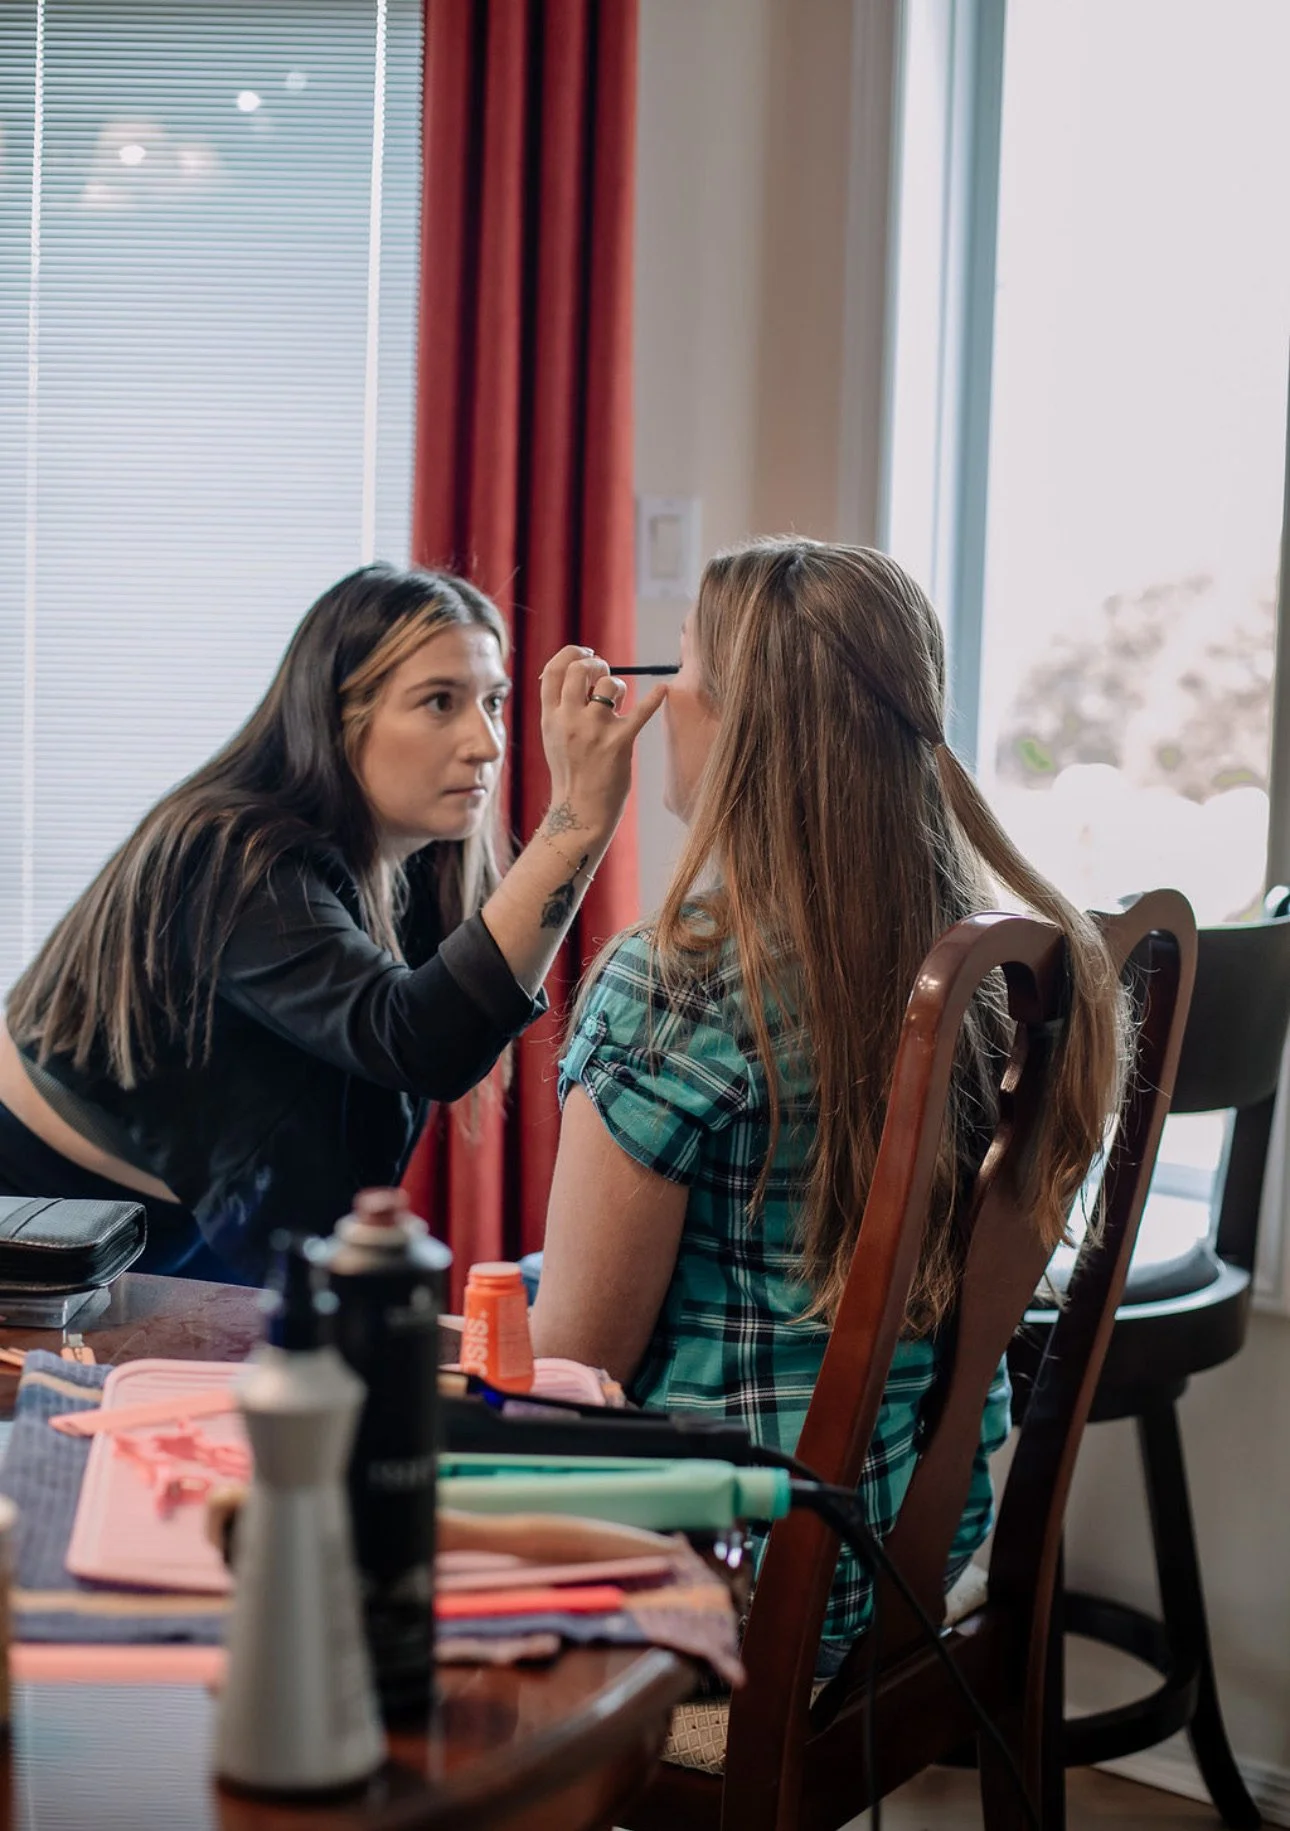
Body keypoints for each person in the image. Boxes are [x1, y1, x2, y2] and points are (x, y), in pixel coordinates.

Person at [530, 537, 1127, 1670]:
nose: (660, 697)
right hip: (907, 1542)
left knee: (345, 1484)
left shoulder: (676, 985)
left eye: (686, 667)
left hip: (736, 1577)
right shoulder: (992, 975)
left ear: (743, 728)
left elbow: (578, 1368)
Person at [1, 563, 664, 1281]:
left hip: (180, 1213)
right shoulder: (232, 852)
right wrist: (578, 820)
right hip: (34, 1204)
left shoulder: (412, 859)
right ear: (336, 715)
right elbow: (419, 1038)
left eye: (495, 701)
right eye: (440, 702)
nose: (488, 743)